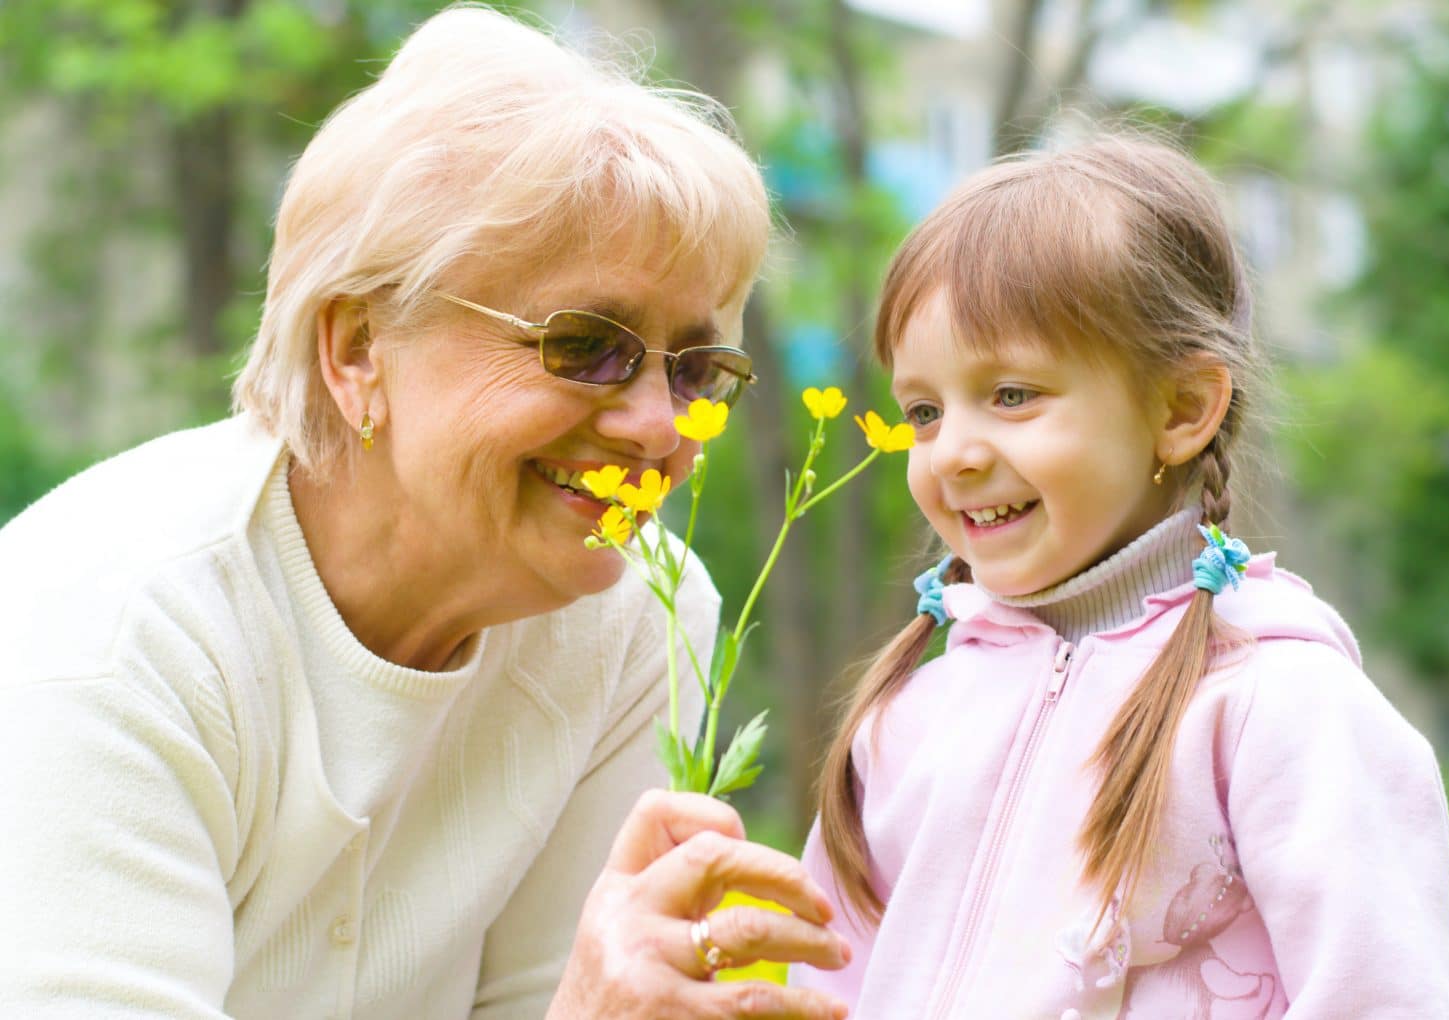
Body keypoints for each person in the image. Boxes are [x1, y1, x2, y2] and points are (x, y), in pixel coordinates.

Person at [0, 7, 851, 1019]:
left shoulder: (641, 621)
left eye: (697, 365)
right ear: (359, 348)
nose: (657, 422)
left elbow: (549, 996)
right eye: (586, 344)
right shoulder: (120, 628)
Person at [788, 135, 1449, 1017]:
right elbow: (819, 992)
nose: (951, 452)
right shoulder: (910, 721)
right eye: (924, 410)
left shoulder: (1280, 704)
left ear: (1182, 409)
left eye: (1013, 394)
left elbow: (1380, 996)